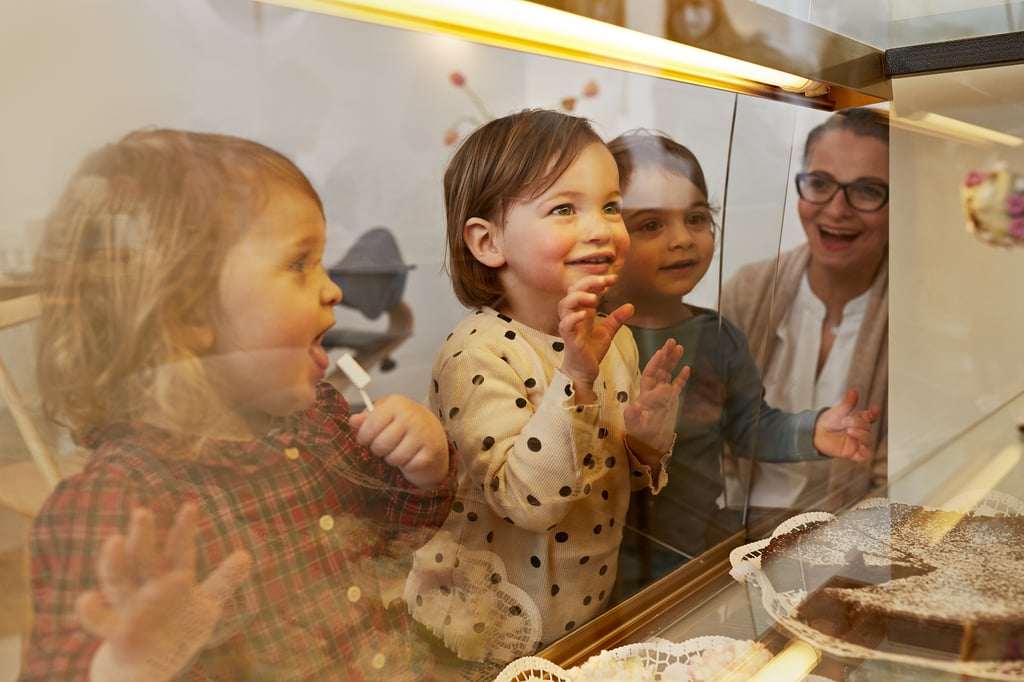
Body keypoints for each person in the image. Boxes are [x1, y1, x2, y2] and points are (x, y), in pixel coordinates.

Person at [21, 129, 456, 681]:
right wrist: (126, 664)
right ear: (187, 315)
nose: (334, 290)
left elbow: (392, 535)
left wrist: (423, 468)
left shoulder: (316, 419)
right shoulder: (114, 504)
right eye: (300, 263)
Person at [402, 109, 688, 665]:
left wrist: (647, 444)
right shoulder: (477, 352)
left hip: (585, 614)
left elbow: (606, 474)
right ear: (488, 242)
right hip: (483, 637)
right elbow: (527, 501)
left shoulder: (612, 339)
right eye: (564, 208)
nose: (602, 227)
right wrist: (576, 378)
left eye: (611, 206)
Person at [601, 130, 880, 590]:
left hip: (692, 560)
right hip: (596, 574)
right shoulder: (580, 342)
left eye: (695, 218)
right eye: (651, 224)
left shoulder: (718, 337)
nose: (681, 240)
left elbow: (750, 426)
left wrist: (814, 430)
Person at [720, 108, 889, 518]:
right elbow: (713, 435)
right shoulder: (748, 289)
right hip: (733, 536)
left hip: (858, 543)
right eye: (819, 184)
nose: (836, 210)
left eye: (866, 191)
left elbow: (909, 476)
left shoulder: (919, 313)